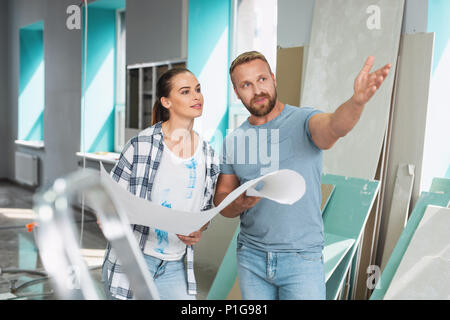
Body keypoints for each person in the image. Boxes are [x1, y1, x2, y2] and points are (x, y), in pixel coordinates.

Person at [214, 51, 391, 300]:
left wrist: (356, 102)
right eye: (246, 84)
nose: (257, 90)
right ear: (236, 92)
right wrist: (239, 202)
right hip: (251, 256)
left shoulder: (303, 120)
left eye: (262, 79)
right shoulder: (233, 141)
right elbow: (222, 200)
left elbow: (333, 127)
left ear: (273, 79)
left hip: (301, 259)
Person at [102, 68, 219, 300]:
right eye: (185, 92)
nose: (196, 97)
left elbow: (204, 213)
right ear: (166, 101)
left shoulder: (209, 155)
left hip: (176, 265)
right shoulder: (141, 145)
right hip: (134, 261)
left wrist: (199, 229)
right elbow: (107, 205)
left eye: (198, 90)